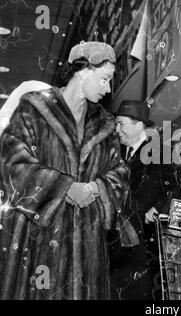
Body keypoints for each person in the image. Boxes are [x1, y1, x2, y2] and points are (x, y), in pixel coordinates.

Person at [0, 41, 129, 300]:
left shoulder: (104, 125)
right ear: (83, 71)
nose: (108, 88)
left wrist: (96, 188)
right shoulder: (35, 110)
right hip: (36, 242)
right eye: (104, 79)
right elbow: (12, 162)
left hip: (88, 251)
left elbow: (120, 172)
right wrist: (64, 188)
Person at [109, 100, 181, 300]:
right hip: (117, 251)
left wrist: (159, 208)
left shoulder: (161, 153)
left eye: (121, 123)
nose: (117, 129)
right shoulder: (113, 157)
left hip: (147, 251)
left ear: (139, 124)